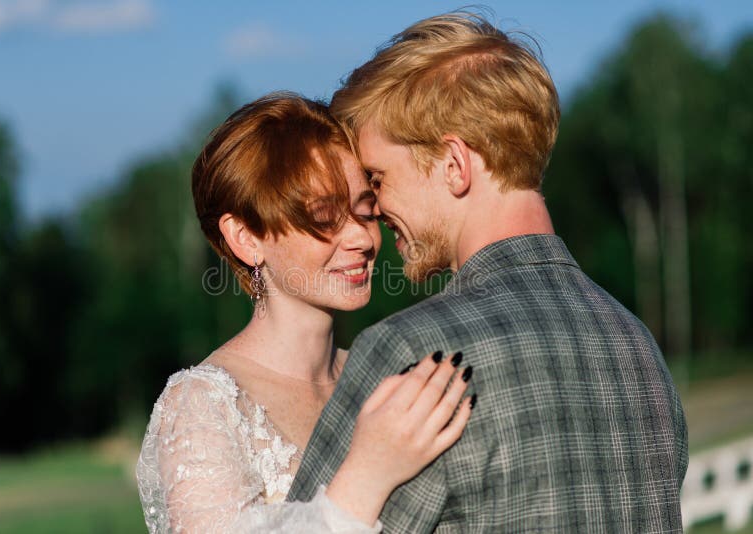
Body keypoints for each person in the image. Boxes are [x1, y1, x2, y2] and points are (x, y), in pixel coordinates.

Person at [288, 10, 689, 532]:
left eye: (379, 178)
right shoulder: (637, 345)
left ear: (454, 165)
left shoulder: (417, 353)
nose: (376, 209)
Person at [135, 93, 474, 533]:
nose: (361, 238)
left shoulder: (384, 374)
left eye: (365, 211)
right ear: (245, 239)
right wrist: (367, 476)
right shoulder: (203, 404)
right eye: (324, 218)